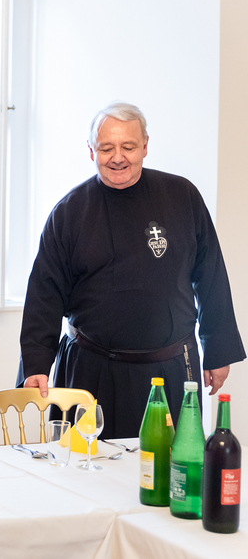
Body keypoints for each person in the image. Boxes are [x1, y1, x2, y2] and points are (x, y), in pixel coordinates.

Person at [18, 102, 246, 438]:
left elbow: (211, 276)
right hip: (90, 370)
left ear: (145, 146)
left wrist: (217, 350)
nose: (118, 158)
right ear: (91, 150)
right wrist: (37, 362)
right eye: (106, 148)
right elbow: (44, 292)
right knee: (83, 465)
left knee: (171, 464)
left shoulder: (182, 196)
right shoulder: (70, 212)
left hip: (170, 368)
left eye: (128, 146)